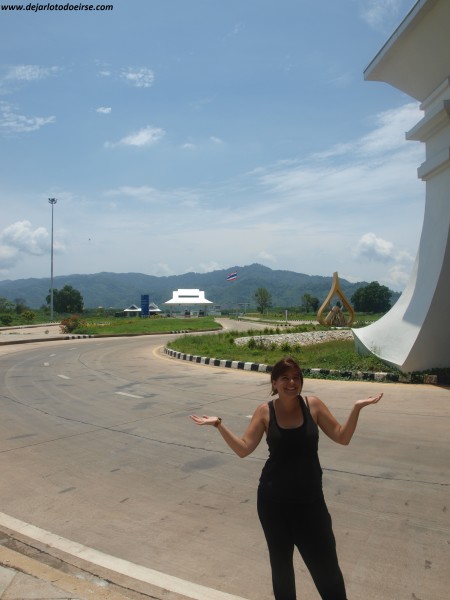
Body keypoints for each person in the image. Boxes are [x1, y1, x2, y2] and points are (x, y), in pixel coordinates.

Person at [190, 357, 383, 600]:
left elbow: (342, 436)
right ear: (274, 382)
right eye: (285, 378)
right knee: (281, 570)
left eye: (296, 377)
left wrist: (356, 408)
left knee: (327, 569)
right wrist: (219, 425)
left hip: (311, 503)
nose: (292, 382)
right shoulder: (265, 411)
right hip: (274, 504)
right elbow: (243, 448)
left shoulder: (313, 405)